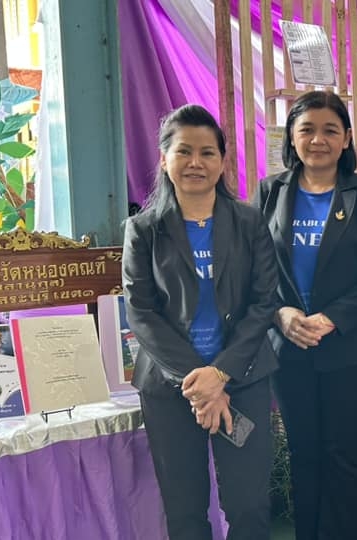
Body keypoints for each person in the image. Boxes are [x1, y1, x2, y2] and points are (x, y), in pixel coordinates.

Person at [122, 104, 280, 540]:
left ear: (222, 160)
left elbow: (263, 301)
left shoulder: (249, 222)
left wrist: (221, 373)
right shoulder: (143, 229)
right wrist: (200, 381)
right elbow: (141, 312)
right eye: (184, 151)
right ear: (163, 159)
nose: (196, 162)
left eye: (207, 152)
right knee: (185, 510)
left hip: (243, 380)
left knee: (249, 506)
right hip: (171, 389)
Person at [253, 90, 357, 540]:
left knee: (344, 454)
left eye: (329, 130)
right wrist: (280, 314)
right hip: (289, 346)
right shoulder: (269, 192)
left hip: (352, 349)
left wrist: (333, 317)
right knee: (305, 452)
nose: (318, 140)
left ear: (347, 138)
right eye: (307, 130)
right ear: (291, 137)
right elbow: (252, 270)